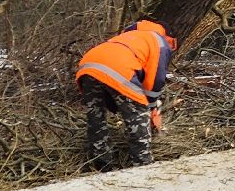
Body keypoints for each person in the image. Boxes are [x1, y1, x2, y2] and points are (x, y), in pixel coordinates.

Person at [75, 17, 177, 169]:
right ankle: (143, 164)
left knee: (95, 115)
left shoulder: (129, 35)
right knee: (138, 115)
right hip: (118, 68)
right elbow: (156, 78)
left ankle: (102, 162)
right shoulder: (159, 41)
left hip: (88, 64)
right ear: (168, 37)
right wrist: (150, 106)